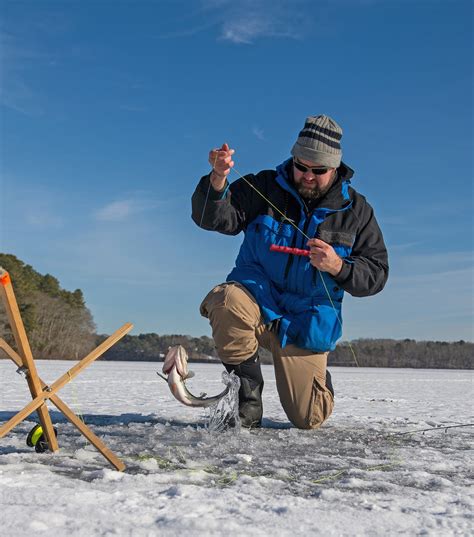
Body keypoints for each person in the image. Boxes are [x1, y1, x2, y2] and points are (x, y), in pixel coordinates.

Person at [192, 114, 388, 429]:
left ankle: (316, 377)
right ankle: (246, 405)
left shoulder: (357, 212)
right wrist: (217, 181)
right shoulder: (264, 186)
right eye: (301, 166)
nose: (308, 176)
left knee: (308, 418)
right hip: (257, 301)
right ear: (293, 158)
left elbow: (377, 274)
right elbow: (212, 218)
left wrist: (338, 266)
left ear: (335, 168)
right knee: (226, 300)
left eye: (318, 170)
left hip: (305, 320)